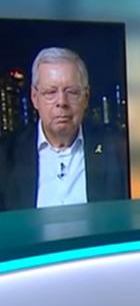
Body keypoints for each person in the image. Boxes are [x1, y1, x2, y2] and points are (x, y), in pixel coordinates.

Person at [0, 47, 128, 211]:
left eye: (72, 92)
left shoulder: (116, 150)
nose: (61, 102)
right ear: (35, 98)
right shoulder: (6, 156)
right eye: (50, 92)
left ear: (86, 97)